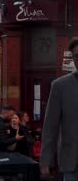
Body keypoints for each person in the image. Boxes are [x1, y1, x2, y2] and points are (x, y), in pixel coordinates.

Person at [41, 38, 78, 180]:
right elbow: (50, 126)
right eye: (76, 56)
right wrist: (46, 160)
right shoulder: (60, 86)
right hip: (72, 161)